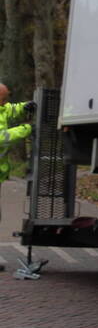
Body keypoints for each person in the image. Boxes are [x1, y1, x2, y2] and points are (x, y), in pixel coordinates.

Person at [0, 84, 34, 272]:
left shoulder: (2, 107)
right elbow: (2, 137)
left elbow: (9, 109)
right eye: (3, 98)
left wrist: (25, 106)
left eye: (6, 98)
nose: (5, 102)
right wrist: (25, 130)